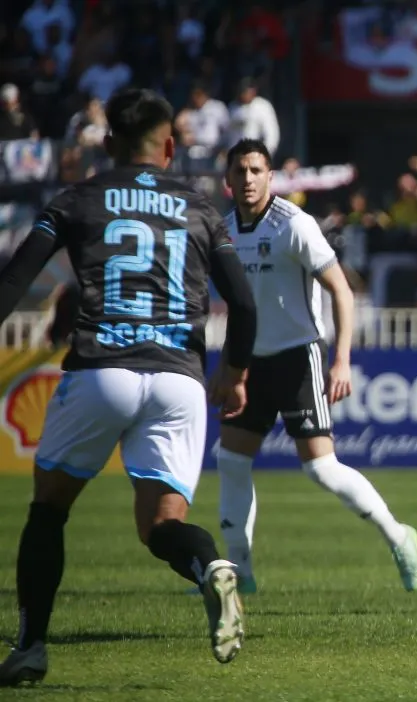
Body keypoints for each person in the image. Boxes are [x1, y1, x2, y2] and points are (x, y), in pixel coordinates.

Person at [0, 88, 258, 685]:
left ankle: (32, 647)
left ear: (108, 143)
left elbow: (15, 278)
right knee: (163, 524)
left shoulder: (77, 199)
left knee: (48, 509)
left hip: (103, 369)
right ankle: (211, 565)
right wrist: (235, 373)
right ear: (170, 147)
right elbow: (242, 304)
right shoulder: (200, 207)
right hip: (179, 382)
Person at [208, 138, 417, 595]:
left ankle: (398, 536)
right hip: (249, 362)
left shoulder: (295, 225)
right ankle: (240, 576)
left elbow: (341, 290)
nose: (247, 179)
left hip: (296, 356)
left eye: (255, 170)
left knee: (320, 469)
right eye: (239, 172)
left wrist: (342, 359)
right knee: (230, 460)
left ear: (270, 177)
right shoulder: (222, 231)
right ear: (227, 180)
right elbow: (235, 309)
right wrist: (229, 368)